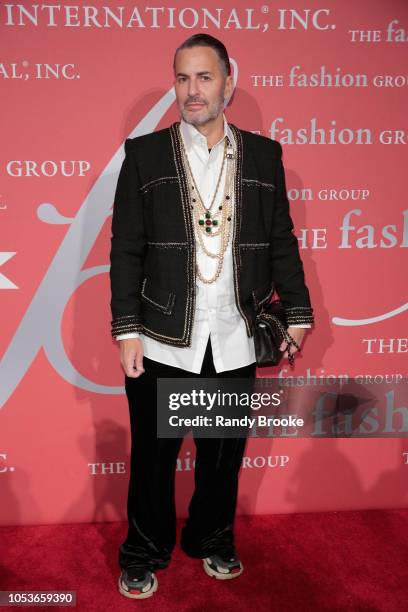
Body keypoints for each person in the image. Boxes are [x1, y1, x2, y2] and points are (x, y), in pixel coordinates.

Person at [109, 33, 314, 600]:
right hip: (162, 337)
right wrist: (126, 329)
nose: (192, 91)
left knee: (222, 455)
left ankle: (212, 538)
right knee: (153, 458)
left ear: (229, 80)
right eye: (182, 78)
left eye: (203, 77)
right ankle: (144, 552)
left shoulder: (264, 155)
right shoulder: (144, 155)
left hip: (234, 334)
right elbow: (126, 247)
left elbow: (281, 241)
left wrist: (296, 310)